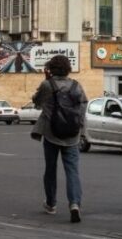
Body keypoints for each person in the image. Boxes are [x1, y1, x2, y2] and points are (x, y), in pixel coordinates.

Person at [32, 54, 88, 223]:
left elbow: (37, 103)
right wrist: (81, 130)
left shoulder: (47, 85)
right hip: (72, 136)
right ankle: (74, 204)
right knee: (72, 170)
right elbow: (83, 108)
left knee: (50, 169)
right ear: (68, 69)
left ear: (50, 69)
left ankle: (51, 204)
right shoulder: (76, 86)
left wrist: (46, 80)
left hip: (51, 134)